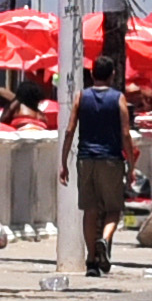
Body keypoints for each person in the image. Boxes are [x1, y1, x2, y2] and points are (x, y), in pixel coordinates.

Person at [64, 48, 131, 281]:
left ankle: (91, 260)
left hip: (85, 159)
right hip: (111, 159)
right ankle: (105, 238)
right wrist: (130, 161)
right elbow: (125, 133)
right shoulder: (118, 98)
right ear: (112, 75)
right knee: (114, 209)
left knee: (89, 211)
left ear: (92, 75)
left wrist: (63, 162)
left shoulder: (81, 97)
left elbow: (70, 129)